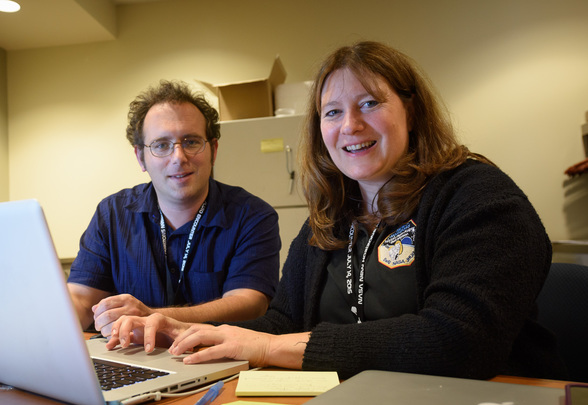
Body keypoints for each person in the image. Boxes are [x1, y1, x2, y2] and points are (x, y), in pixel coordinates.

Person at [104, 41, 566, 381]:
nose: (351, 125)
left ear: (411, 111)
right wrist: (187, 330)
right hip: (350, 404)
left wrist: (268, 346)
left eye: (369, 103)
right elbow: (282, 323)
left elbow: (460, 342)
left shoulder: (477, 196)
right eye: (332, 112)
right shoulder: (330, 217)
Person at [68, 80, 281, 336]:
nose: (179, 157)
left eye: (191, 142)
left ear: (213, 150)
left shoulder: (253, 216)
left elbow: (249, 305)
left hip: (215, 354)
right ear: (140, 157)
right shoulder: (111, 215)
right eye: (161, 145)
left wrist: (153, 317)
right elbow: (81, 300)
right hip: (130, 355)